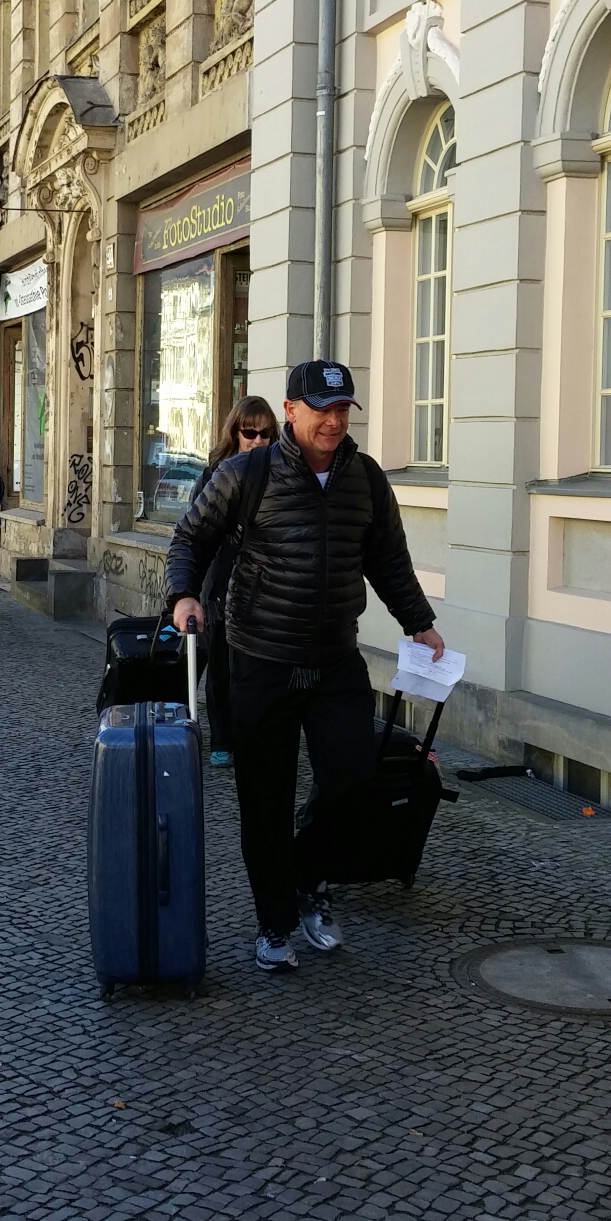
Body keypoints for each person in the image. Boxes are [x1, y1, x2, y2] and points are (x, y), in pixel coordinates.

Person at [166, 360, 445, 974]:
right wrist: (183, 595)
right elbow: (190, 538)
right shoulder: (246, 474)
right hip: (261, 659)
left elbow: (389, 560)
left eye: (343, 410)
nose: (334, 422)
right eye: (323, 409)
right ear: (291, 410)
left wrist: (418, 622)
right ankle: (274, 922)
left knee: (352, 781)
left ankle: (307, 876)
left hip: (335, 660)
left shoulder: (365, 479)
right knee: (264, 799)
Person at [187, 396, 280, 769]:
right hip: (222, 584)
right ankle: (222, 739)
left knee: (258, 671)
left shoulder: (282, 473)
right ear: (235, 433)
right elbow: (194, 536)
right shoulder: (216, 474)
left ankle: (253, 737)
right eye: (250, 433)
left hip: (267, 587)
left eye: (265, 434)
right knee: (222, 667)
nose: (258, 440)